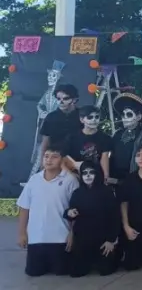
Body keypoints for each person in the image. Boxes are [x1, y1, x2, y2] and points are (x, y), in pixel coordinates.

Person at [17, 145, 79, 276]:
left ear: (62, 160)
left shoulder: (70, 180)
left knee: (62, 273)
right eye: (46, 156)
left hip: (61, 239)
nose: (49, 160)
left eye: (54, 157)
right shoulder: (34, 180)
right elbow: (24, 208)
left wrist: (73, 234)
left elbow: (77, 210)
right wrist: (22, 233)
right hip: (36, 239)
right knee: (33, 273)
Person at [64, 161, 120, 277]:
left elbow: (114, 217)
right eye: (84, 173)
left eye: (91, 172)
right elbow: (70, 212)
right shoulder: (77, 193)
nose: (88, 175)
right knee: (75, 272)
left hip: (103, 241)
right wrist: (69, 212)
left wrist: (111, 240)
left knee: (106, 270)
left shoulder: (107, 192)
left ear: (98, 173)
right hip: (83, 240)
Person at [33, 84, 81, 176]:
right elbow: (45, 142)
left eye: (65, 98)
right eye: (58, 99)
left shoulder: (82, 116)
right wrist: (43, 164)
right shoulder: (51, 117)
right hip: (55, 160)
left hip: (77, 160)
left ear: (74, 100)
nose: (61, 102)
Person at [109, 94, 142, 185]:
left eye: (129, 114)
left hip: (136, 180)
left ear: (138, 117)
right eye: (123, 115)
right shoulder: (117, 134)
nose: (125, 118)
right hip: (114, 179)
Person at [63, 105, 111, 180]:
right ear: (82, 120)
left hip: (96, 176)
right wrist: (71, 174)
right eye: (90, 117)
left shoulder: (105, 138)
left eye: (97, 117)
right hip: (76, 175)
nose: (94, 120)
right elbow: (64, 157)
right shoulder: (72, 137)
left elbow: (104, 158)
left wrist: (106, 176)